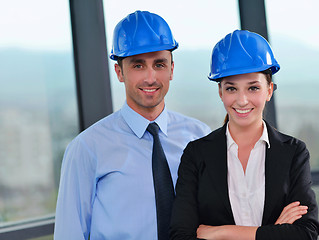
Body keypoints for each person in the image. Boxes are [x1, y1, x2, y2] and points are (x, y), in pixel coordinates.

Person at [54, 10, 210, 240]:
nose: (150, 77)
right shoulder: (86, 148)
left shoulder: (199, 136)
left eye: (159, 64)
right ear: (119, 72)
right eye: (138, 66)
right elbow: (70, 234)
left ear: (172, 69)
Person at [169, 30, 319, 240]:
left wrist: (220, 232)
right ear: (220, 92)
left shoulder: (293, 153)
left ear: (269, 90)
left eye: (253, 88)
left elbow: (305, 233)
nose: (242, 100)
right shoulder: (197, 154)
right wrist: (274, 231)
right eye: (231, 89)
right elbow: (180, 236)